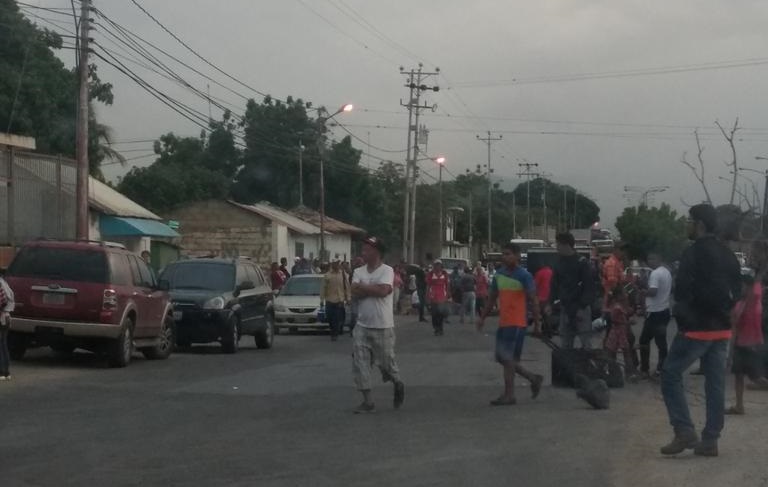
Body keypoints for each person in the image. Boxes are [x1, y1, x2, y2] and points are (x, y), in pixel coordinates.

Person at [660, 204, 741, 457]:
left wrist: (683, 319)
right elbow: (737, 292)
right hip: (722, 331)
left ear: (700, 225)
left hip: (696, 329)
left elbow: (683, 290)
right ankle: (710, 440)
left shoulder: (692, 253)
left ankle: (684, 430)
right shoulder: (728, 254)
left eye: (689, 221)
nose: (687, 225)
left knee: (670, 374)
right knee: (715, 385)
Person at [477, 243, 543, 406]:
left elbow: (533, 300)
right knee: (504, 358)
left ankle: (510, 394)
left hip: (517, 323)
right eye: (503, 254)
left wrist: (537, 324)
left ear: (517, 256)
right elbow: (492, 298)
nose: (504, 257)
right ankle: (532, 378)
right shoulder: (499, 275)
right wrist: (482, 317)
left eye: (508, 254)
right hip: (504, 322)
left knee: (507, 358)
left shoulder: (524, 276)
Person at [351, 236, 405, 414]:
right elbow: (354, 293)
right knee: (360, 363)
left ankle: (397, 382)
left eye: (367, 249)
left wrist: (364, 288)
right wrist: (372, 288)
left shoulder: (387, 270)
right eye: (363, 248)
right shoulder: (358, 271)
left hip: (383, 325)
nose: (363, 252)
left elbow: (384, 292)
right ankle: (368, 402)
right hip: (362, 325)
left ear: (377, 252)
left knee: (386, 364)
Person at [726, 274, 768, 415]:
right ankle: (739, 406)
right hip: (742, 343)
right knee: (739, 375)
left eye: (743, 285)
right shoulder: (743, 303)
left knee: (756, 378)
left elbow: (735, 324)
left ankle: (739, 406)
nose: (740, 288)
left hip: (749, 345)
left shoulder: (753, 302)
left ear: (749, 287)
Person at [550, 232, 596, 349]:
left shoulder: (582, 262)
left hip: (581, 309)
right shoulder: (558, 263)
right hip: (566, 308)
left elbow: (589, 286)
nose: (557, 247)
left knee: (585, 343)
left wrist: (582, 306)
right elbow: (554, 285)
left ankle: (587, 366)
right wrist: (550, 304)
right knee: (565, 344)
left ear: (566, 245)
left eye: (558, 244)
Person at [639, 252, 673, 379]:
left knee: (644, 340)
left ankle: (645, 370)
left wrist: (643, 292)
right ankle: (661, 369)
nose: (649, 261)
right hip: (664, 310)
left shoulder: (655, 273)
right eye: (648, 258)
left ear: (659, 259)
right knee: (661, 342)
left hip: (654, 312)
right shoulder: (666, 272)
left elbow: (653, 291)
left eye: (652, 258)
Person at [605, 286, 639, 381]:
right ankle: (628, 373)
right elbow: (617, 320)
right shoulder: (618, 307)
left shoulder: (618, 305)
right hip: (619, 331)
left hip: (617, 331)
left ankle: (614, 371)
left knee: (612, 352)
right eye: (623, 293)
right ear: (619, 295)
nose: (625, 294)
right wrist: (629, 322)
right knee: (625, 352)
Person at [321, 260, 351, 341]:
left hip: (339, 300)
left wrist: (348, 298)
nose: (336, 265)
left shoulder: (343, 274)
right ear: (332, 265)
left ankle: (335, 334)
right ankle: (332, 331)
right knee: (330, 318)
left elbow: (347, 287)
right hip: (329, 300)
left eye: (337, 263)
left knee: (337, 318)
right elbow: (323, 288)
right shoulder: (327, 275)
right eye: (335, 264)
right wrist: (321, 299)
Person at [426, 260, 450, 336]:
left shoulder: (445, 274)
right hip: (433, 296)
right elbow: (428, 285)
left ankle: (440, 328)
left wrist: (448, 295)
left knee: (440, 313)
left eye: (439, 265)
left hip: (442, 296)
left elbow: (447, 285)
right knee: (434, 314)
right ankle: (436, 328)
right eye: (436, 265)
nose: (437, 267)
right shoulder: (430, 274)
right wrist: (427, 296)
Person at [0, 274, 15, 381]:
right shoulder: (4, 283)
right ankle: (6, 372)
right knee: (3, 345)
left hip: (1, 317)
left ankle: (1, 371)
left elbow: (2, 301)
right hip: (6, 316)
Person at [534, 264, 553, 329]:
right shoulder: (552, 272)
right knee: (547, 313)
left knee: (541, 313)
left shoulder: (539, 273)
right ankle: (548, 328)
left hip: (541, 297)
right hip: (551, 297)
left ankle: (543, 328)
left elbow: (535, 285)